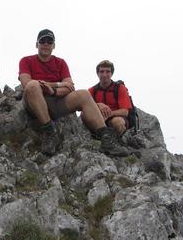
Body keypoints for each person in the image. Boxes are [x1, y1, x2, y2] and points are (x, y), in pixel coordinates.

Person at [18, 29, 130, 157]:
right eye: (42, 41)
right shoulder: (26, 61)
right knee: (33, 86)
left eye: (49, 41)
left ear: (53, 46)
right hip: (35, 103)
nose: (46, 44)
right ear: (37, 44)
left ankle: (106, 139)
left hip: (56, 100)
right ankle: (49, 132)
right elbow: (27, 83)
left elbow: (70, 87)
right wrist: (56, 84)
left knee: (83, 94)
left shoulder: (60, 63)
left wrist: (53, 91)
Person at [86, 60, 131, 136]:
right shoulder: (91, 91)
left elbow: (125, 112)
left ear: (111, 74)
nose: (104, 74)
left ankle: (115, 142)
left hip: (116, 118)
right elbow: (85, 108)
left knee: (117, 122)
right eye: (102, 71)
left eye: (108, 72)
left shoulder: (120, 88)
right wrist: (98, 105)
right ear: (97, 73)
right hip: (98, 119)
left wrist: (109, 114)